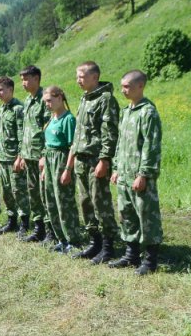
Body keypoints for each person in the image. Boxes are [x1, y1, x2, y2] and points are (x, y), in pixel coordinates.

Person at [65, 61, 120, 265]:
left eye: (81, 76)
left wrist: (105, 160)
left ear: (95, 77)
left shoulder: (106, 99)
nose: (78, 80)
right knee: (86, 202)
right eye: (77, 76)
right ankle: (95, 242)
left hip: (96, 160)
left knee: (100, 203)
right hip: (81, 159)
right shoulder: (85, 99)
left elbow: (110, 133)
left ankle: (108, 247)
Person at [109, 70, 163, 275]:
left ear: (140, 86)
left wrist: (144, 174)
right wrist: (115, 168)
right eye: (122, 86)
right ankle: (131, 254)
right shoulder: (127, 111)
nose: (123, 90)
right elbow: (120, 143)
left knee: (147, 216)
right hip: (124, 174)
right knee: (127, 215)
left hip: (139, 175)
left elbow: (152, 146)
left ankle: (150, 260)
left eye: (127, 87)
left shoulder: (147, 112)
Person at [40, 86, 84, 253]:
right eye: (45, 102)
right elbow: (47, 145)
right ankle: (61, 239)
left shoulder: (68, 119)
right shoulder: (51, 119)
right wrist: (44, 168)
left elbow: (73, 146)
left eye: (50, 101)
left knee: (64, 202)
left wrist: (67, 169)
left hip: (62, 160)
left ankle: (73, 240)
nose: (47, 104)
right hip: (50, 162)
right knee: (51, 201)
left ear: (60, 98)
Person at [14, 66, 50, 243]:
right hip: (28, 155)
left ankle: (51, 230)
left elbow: (48, 128)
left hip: (40, 156)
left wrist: (44, 154)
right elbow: (26, 130)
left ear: (37, 79)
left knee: (45, 193)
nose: (23, 83)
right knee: (33, 193)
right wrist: (21, 155)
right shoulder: (28, 101)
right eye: (21, 80)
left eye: (26, 79)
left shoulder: (45, 99)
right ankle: (39, 228)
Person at [0, 76, 30, 237]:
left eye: (1, 90)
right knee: (6, 191)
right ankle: (11, 221)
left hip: (15, 159)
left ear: (10, 90)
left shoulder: (18, 109)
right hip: (3, 158)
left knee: (18, 191)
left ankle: (25, 222)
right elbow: (1, 136)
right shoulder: (2, 109)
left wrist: (20, 157)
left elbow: (22, 135)